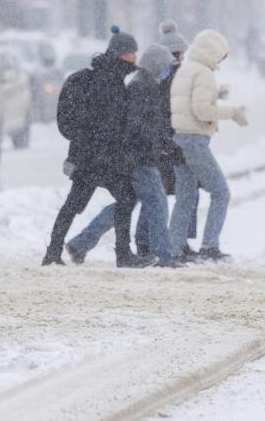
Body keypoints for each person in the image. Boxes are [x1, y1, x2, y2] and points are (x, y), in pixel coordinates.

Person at [42, 25, 151, 268]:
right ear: (122, 54)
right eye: (132, 52)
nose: (135, 57)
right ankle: (122, 255)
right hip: (100, 158)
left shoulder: (106, 76)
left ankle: (53, 251)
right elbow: (109, 124)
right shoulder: (109, 81)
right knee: (124, 197)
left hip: (88, 156)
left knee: (75, 204)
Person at [65, 44, 181, 268]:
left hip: (138, 156)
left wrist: (167, 145)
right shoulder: (141, 87)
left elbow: (151, 126)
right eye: (166, 66)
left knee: (124, 206)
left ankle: (80, 244)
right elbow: (138, 126)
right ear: (156, 65)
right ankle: (164, 257)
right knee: (157, 204)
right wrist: (158, 145)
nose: (168, 71)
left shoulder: (147, 84)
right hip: (140, 158)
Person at [168, 29, 248, 262]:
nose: (221, 61)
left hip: (179, 138)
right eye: (221, 56)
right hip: (195, 140)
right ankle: (209, 246)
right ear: (212, 53)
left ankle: (175, 247)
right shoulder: (203, 73)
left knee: (186, 196)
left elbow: (187, 101)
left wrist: (216, 93)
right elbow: (201, 111)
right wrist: (233, 112)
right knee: (221, 192)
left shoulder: (186, 69)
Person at [154, 20, 199, 261]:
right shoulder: (175, 77)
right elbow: (170, 110)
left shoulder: (163, 75)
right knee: (180, 193)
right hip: (173, 142)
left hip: (168, 141)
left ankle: (176, 241)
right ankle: (174, 243)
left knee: (178, 193)